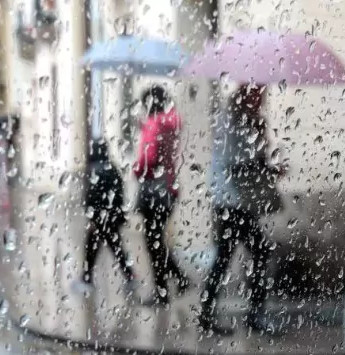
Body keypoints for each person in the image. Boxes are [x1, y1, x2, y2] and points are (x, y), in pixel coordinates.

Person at [198, 85, 287, 335]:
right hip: (229, 202)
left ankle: (217, 314)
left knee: (233, 257)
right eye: (257, 96)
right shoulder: (229, 122)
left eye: (263, 96)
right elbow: (238, 164)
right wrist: (262, 155)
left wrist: (263, 143)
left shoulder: (249, 122)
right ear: (244, 96)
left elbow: (254, 161)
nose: (261, 101)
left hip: (239, 203)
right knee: (252, 254)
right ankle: (249, 316)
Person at [134, 85, 189, 307]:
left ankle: (162, 292)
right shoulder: (170, 124)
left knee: (153, 242)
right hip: (169, 188)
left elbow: (149, 157)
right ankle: (179, 279)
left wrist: (136, 170)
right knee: (157, 240)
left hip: (153, 190)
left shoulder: (154, 124)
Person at [72, 138, 138, 295]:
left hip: (99, 219)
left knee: (92, 248)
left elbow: (92, 198)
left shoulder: (94, 169)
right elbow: (120, 193)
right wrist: (119, 215)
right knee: (115, 247)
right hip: (113, 217)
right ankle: (130, 276)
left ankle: (87, 279)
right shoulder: (113, 167)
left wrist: (92, 218)